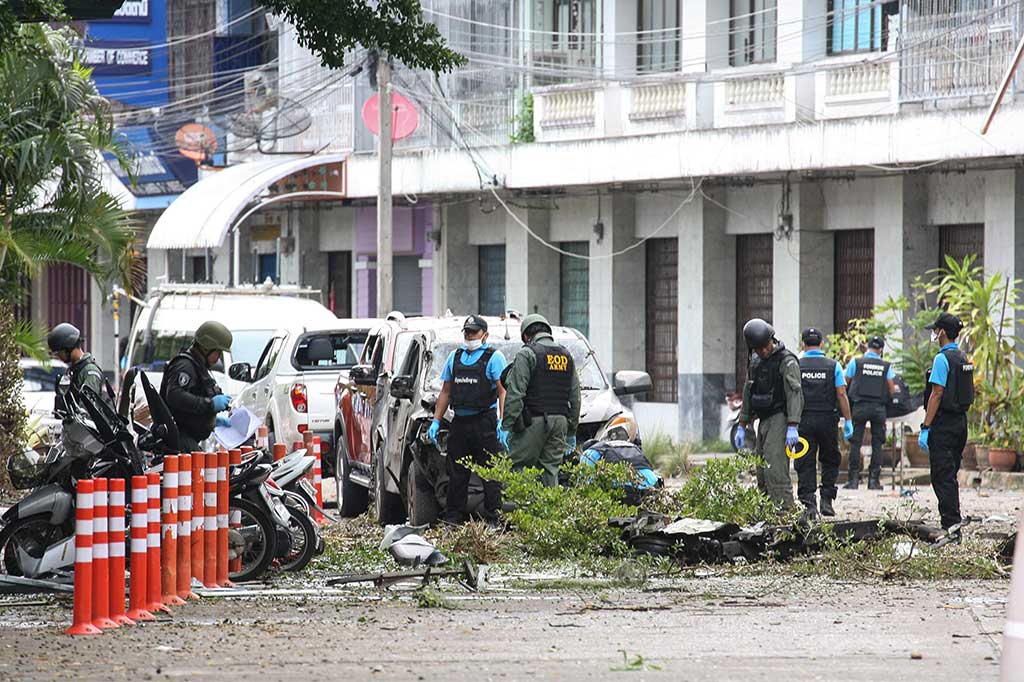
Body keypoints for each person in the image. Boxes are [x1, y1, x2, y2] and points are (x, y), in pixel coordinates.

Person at [428, 314, 508, 525]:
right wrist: (436, 420)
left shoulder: (494, 357)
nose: (470, 335)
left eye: (474, 332)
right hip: (460, 423)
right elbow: (445, 391)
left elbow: (502, 391)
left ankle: (493, 519)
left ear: (485, 334)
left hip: (484, 422)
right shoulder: (455, 357)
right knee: (456, 473)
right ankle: (454, 518)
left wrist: (503, 420)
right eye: (467, 332)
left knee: (490, 474)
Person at [500, 314, 581, 487]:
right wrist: (572, 431)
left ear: (526, 336)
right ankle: (547, 513)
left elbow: (515, 394)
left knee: (518, 467)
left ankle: (519, 512)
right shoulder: (566, 355)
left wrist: (506, 425)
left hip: (533, 422)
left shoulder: (527, 353)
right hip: (560, 423)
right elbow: (575, 397)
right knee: (551, 470)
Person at [734, 318, 803, 509]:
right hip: (763, 420)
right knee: (762, 469)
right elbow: (748, 391)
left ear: (772, 340)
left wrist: (792, 425)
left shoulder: (786, 361)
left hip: (780, 417)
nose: (763, 351)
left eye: (765, 346)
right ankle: (766, 512)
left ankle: (785, 512)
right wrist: (742, 424)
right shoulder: (755, 362)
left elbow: (794, 394)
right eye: (758, 349)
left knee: (776, 468)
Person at [919, 312, 974, 533]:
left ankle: (950, 525)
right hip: (960, 423)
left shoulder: (941, 359)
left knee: (941, 476)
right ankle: (954, 522)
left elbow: (937, 393)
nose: (934, 334)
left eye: (935, 330)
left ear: (941, 332)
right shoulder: (962, 358)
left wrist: (925, 426)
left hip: (943, 425)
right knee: (949, 475)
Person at [796, 327, 853, 517]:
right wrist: (848, 420)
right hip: (827, 420)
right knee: (830, 459)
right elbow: (841, 393)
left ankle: (809, 504)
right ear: (821, 344)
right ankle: (827, 501)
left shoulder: (796, 364)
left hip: (802, 420)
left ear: (802, 344)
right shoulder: (833, 365)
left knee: (804, 461)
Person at [159, 320, 233, 452]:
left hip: (188, 438)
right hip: (179, 438)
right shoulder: (185, 366)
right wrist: (209, 404)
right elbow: (175, 395)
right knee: (203, 470)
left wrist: (211, 421)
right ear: (207, 347)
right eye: (218, 352)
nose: (218, 358)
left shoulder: (198, 367)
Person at [844, 336, 897, 490]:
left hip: (859, 407)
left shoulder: (856, 362)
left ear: (867, 347)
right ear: (880, 350)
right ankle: (874, 481)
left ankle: (853, 480)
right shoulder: (885, 366)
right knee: (877, 444)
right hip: (878, 408)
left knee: (855, 443)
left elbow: (845, 382)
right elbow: (892, 389)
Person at [46, 322, 115, 412]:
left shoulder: (90, 372)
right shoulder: (75, 370)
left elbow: (87, 409)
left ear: (68, 348)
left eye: (58, 352)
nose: (58, 356)